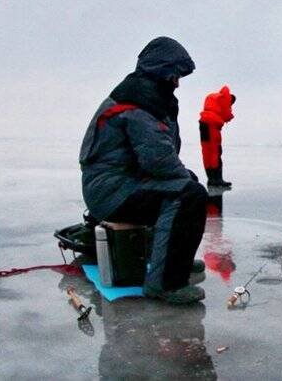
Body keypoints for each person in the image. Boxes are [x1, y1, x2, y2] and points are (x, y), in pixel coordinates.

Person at [79, 36, 208, 304]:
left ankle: (174, 261)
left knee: (188, 187)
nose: (177, 82)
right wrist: (185, 181)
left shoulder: (146, 97)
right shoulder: (139, 103)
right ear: (163, 71)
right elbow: (159, 161)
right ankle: (166, 283)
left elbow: (162, 155)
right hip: (111, 192)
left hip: (121, 185)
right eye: (175, 75)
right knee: (189, 196)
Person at [199, 86, 235, 188]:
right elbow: (227, 114)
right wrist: (230, 116)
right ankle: (216, 179)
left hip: (206, 123)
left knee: (208, 151)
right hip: (212, 124)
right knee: (214, 151)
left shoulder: (213, 97)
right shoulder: (223, 100)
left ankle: (212, 179)